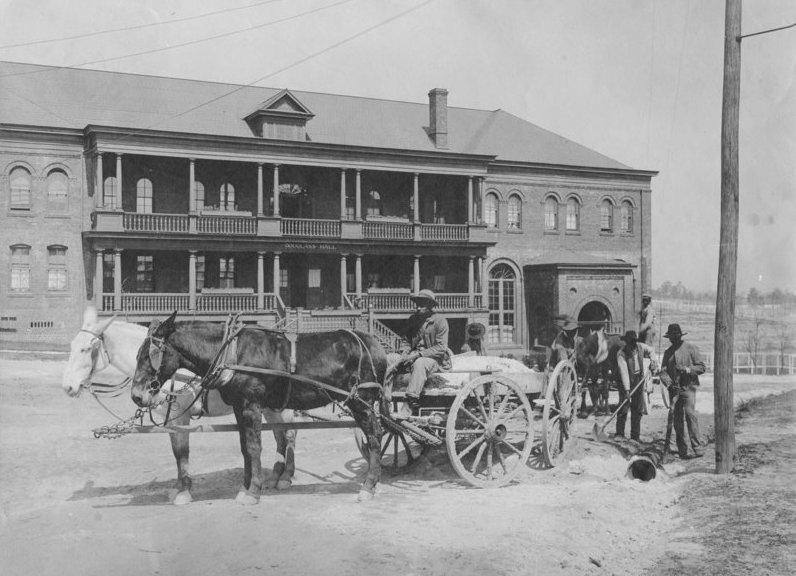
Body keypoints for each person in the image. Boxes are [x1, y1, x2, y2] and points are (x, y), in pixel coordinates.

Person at [396, 289, 451, 418]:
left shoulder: (440, 321)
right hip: (413, 357)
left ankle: (409, 402)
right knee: (391, 359)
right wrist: (404, 352)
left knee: (420, 363)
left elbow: (441, 347)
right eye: (418, 304)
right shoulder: (413, 320)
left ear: (431, 306)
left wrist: (418, 355)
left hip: (435, 360)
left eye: (423, 304)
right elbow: (406, 340)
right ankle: (385, 396)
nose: (418, 307)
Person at [659, 323, 706, 458]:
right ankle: (683, 451)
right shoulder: (668, 353)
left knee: (690, 415)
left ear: (680, 336)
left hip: (688, 388)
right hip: (674, 391)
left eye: (675, 336)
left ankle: (697, 448)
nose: (673, 339)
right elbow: (662, 372)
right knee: (677, 420)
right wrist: (669, 384)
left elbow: (701, 367)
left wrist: (688, 370)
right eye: (671, 337)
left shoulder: (690, 348)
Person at [615, 330, 659, 441]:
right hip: (624, 382)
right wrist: (627, 390)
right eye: (630, 342)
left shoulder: (640, 347)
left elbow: (651, 351)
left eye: (633, 342)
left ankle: (635, 436)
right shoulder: (621, 353)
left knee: (637, 409)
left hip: (638, 380)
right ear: (626, 342)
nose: (632, 345)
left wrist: (653, 361)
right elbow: (624, 372)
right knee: (623, 407)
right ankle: (619, 434)